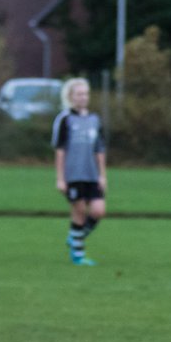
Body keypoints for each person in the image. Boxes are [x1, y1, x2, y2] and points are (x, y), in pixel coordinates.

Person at [51, 78, 106, 266]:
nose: (83, 97)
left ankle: (75, 236)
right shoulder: (64, 119)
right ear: (70, 97)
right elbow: (60, 151)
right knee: (80, 210)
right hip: (73, 174)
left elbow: (99, 150)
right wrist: (60, 178)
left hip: (91, 173)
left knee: (98, 211)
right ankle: (78, 255)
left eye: (86, 94)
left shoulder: (94, 119)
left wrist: (102, 175)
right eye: (79, 94)